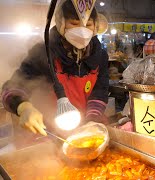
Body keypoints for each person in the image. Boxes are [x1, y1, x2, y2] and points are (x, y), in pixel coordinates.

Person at [1, 0, 109, 139]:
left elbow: (100, 91)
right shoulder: (44, 52)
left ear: (95, 27)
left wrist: (91, 121)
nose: (82, 31)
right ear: (61, 24)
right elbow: (12, 87)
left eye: (88, 25)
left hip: (83, 129)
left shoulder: (99, 55)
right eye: (74, 24)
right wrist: (24, 107)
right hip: (48, 133)